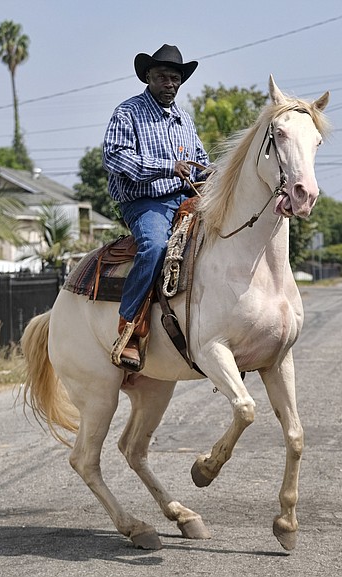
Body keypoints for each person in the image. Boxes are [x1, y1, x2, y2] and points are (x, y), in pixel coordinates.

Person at [103, 44, 210, 371]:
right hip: (144, 201)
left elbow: (200, 161)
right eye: (163, 77)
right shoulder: (128, 113)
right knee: (155, 247)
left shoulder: (184, 120)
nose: (170, 84)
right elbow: (115, 157)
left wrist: (214, 174)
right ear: (148, 77)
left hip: (185, 198)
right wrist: (166, 167)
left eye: (175, 78)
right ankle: (130, 328)